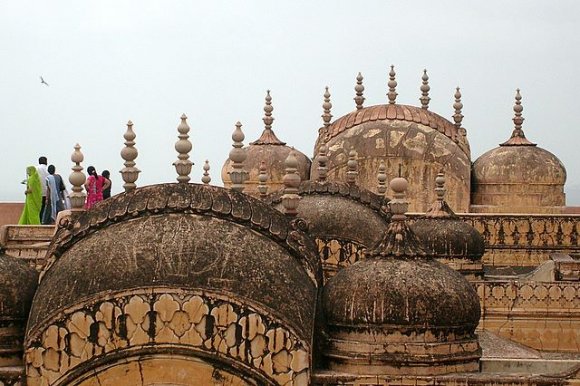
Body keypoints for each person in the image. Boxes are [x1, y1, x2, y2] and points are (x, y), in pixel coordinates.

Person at [37, 156, 49, 222]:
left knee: (39, 208)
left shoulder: (36, 169)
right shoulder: (47, 169)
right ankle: (43, 221)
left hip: (38, 192)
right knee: (45, 208)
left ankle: (39, 220)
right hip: (47, 192)